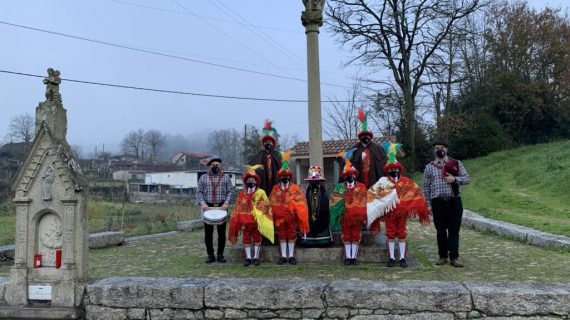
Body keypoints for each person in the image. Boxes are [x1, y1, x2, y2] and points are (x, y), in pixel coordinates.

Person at [367, 143, 430, 268]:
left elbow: (416, 191)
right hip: (389, 215)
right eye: (391, 169)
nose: (393, 171)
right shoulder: (382, 182)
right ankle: (391, 258)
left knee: (401, 234)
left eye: (395, 169)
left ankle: (402, 258)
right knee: (390, 234)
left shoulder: (406, 182)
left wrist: (416, 206)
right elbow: (372, 193)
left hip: (402, 214)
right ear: (387, 170)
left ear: (399, 169)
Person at [423, 141, 470, 267]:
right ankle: (442, 256)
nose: (439, 150)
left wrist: (455, 179)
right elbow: (426, 187)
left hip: (454, 201)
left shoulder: (456, 163)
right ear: (434, 151)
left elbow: (467, 178)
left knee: (454, 231)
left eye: (442, 148)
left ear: (446, 150)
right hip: (437, 202)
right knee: (441, 231)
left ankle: (454, 258)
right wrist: (428, 204)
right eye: (437, 148)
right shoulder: (430, 167)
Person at [228, 165, 274, 266]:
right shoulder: (242, 193)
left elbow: (267, 205)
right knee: (246, 239)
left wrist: (258, 209)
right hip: (245, 222)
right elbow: (238, 206)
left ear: (256, 181)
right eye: (249, 180)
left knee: (257, 238)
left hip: (256, 222)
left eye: (253, 180)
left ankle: (256, 258)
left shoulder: (261, 192)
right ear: (246, 182)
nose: (251, 182)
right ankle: (248, 258)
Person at [269, 151, 309, 265]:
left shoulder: (294, 188)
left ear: (290, 177)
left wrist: (295, 207)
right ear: (280, 177)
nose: (285, 177)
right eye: (283, 176)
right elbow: (271, 201)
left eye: (286, 176)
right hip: (279, 218)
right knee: (281, 235)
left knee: (291, 234)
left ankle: (291, 256)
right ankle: (283, 256)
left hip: (291, 217)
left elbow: (301, 200)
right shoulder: (275, 188)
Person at [330, 153, 368, 266]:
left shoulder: (361, 187)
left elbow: (366, 201)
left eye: (351, 175)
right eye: (347, 175)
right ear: (344, 176)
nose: (349, 177)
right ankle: (348, 257)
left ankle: (353, 258)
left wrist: (364, 216)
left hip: (357, 218)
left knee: (356, 236)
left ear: (355, 175)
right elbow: (334, 201)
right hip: (345, 217)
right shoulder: (340, 187)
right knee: (346, 236)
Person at [196, 157, 234, 264]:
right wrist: (203, 204)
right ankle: (210, 255)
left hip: (222, 207)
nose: (215, 167)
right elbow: (199, 192)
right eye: (213, 165)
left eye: (217, 165)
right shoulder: (203, 178)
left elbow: (230, 191)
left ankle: (220, 255)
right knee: (208, 234)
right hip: (208, 207)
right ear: (209, 166)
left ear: (220, 166)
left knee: (221, 233)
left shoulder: (226, 177)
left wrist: (226, 203)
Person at [347, 108, 388, 188]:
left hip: (374, 179)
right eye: (363, 136)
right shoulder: (355, 149)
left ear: (371, 137)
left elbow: (383, 164)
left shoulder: (377, 149)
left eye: (367, 135)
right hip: (360, 180)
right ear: (360, 137)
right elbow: (349, 164)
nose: (365, 137)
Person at [300, 166, 333, 247]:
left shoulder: (323, 194)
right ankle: (308, 240)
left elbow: (325, 205)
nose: (315, 183)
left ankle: (323, 239)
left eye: (317, 181)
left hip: (321, 216)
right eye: (312, 181)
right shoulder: (307, 194)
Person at [253, 119, 282, 196]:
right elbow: (254, 168)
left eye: (270, 142)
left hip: (275, 181)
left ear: (273, 143)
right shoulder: (259, 155)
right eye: (266, 142)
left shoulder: (277, 155)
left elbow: (281, 168)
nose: (267, 143)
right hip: (263, 181)